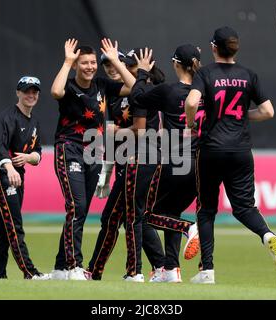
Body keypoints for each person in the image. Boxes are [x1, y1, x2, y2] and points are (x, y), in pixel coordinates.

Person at [185, 26, 276, 284]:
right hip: (241, 151)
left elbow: (190, 102)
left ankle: (207, 271)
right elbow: (268, 112)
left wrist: (191, 123)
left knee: (207, 210)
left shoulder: (205, 73)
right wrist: (243, 116)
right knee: (244, 207)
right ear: (235, 48)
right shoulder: (248, 75)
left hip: (210, 149)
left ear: (213, 48)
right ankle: (267, 235)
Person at [49, 38, 135, 281]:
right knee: (75, 207)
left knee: (81, 210)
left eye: (92, 62)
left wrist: (117, 62)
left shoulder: (102, 84)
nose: (89, 66)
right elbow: (55, 91)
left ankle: (59, 268)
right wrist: (67, 62)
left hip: (94, 150)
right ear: (76, 65)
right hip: (69, 149)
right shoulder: (69, 86)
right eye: (84, 63)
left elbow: (134, 86)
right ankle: (73, 265)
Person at [87, 50, 165, 282]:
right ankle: (161, 268)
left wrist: (115, 132)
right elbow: (112, 140)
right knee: (120, 217)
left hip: (140, 160)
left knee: (130, 217)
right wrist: (106, 173)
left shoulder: (140, 91)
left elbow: (138, 130)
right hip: (127, 163)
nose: (111, 68)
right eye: (107, 65)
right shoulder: (112, 95)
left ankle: (136, 271)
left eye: (117, 64)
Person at [129, 44, 205, 283]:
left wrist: (142, 72)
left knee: (141, 215)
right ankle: (171, 270)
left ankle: (187, 228)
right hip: (200, 165)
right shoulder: (207, 91)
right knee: (171, 210)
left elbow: (137, 97)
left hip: (173, 162)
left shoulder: (167, 91)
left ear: (175, 64)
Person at [0, 76, 49, 280]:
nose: (31, 95)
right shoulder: (6, 117)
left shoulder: (34, 121)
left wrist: (31, 157)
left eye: (35, 91)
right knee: (14, 223)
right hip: (0, 175)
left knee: (4, 227)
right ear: (18, 93)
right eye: (27, 91)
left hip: (18, 177)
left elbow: (37, 151)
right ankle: (30, 272)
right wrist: (10, 167)